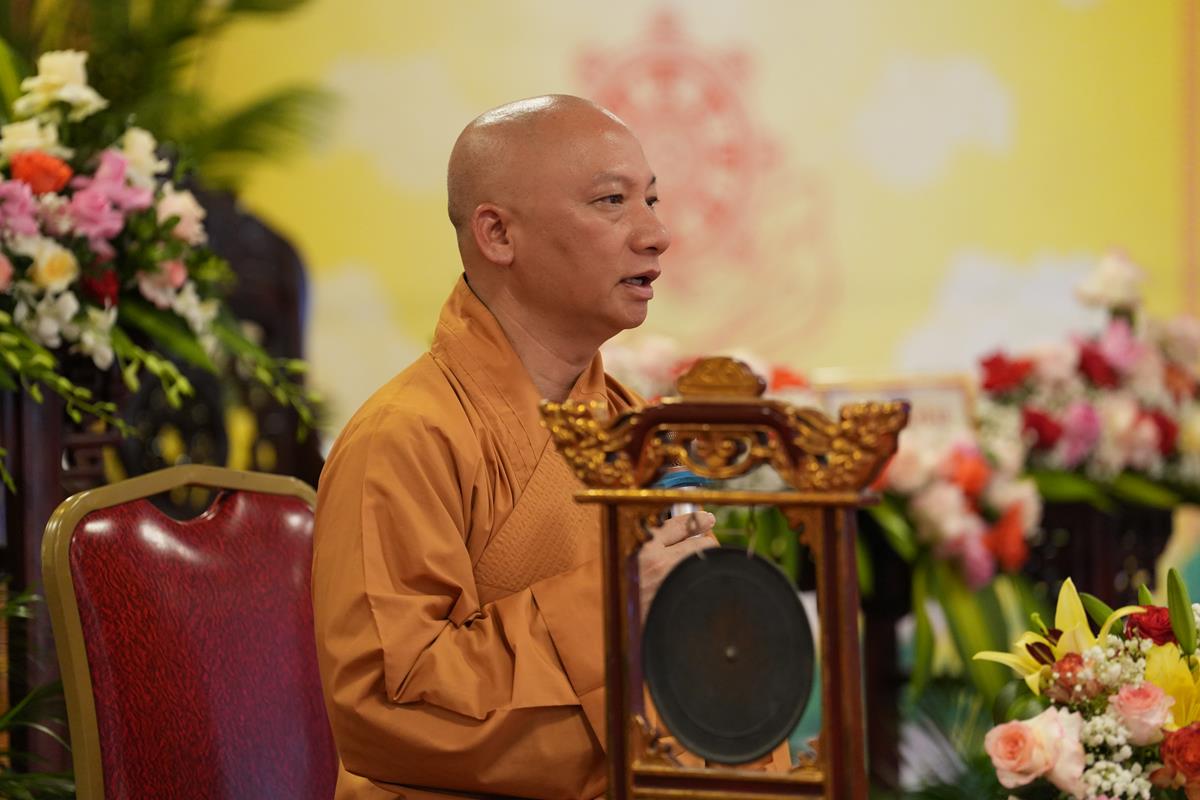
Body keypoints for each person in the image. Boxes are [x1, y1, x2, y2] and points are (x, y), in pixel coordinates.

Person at [312, 95, 721, 800]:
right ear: (498, 234)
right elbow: (387, 709)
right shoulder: (403, 437)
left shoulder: (633, 427)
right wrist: (612, 604)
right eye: (612, 201)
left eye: (652, 199)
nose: (656, 234)